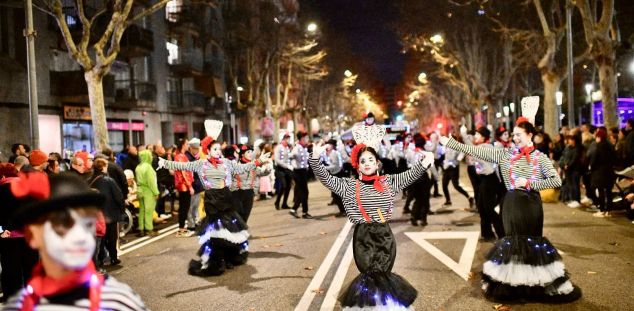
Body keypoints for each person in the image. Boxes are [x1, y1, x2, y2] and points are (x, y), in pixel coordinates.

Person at [440, 116, 581, 303]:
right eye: (513, 135)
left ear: (530, 135)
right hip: (512, 203)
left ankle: (535, 284)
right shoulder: (505, 155)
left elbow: (556, 181)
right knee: (514, 243)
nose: (515, 138)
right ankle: (517, 286)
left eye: (519, 135)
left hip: (532, 205)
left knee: (533, 243)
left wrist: (530, 183)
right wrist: (452, 143)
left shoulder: (540, 157)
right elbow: (476, 151)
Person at [310, 124, 434, 309]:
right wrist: (315, 158)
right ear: (357, 166)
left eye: (370, 160)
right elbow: (326, 179)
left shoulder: (388, 182)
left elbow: (409, 176)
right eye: (363, 161)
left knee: (384, 276)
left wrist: (425, 163)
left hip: (385, 235)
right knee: (370, 276)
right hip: (363, 237)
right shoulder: (349, 186)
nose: (367, 163)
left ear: (377, 163)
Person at [2, 172, 148, 310]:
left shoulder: (120, 301)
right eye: (63, 225)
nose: (80, 237)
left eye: (88, 224)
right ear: (34, 235)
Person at [157, 120, 271, 276]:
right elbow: (182, 166)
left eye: (219, 149)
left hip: (226, 198)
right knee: (216, 234)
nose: (219, 151)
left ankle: (230, 258)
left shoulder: (226, 163)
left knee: (230, 231)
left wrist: (258, 161)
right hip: (212, 200)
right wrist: (165, 163)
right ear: (208, 150)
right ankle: (217, 260)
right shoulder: (201, 164)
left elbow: (242, 167)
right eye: (215, 149)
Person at [0, 163, 39, 302]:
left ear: (3, 175)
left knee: (10, 269)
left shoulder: (1, 190)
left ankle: (12, 298)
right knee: (31, 267)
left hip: (8, 236)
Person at [87, 158, 124, 266]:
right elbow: (118, 196)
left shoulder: (89, 181)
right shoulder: (109, 181)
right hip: (110, 214)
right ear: (103, 167)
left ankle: (100, 259)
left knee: (100, 238)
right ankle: (113, 258)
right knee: (112, 237)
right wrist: (121, 209)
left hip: (97, 215)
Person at [471, 127, 505, 241]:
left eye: (477, 134)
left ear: (483, 137)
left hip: (489, 180)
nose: (475, 136)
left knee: (488, 209)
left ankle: (502, 234)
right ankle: (487, 232)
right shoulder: (488, 147)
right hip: (487, 180)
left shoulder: (483, 148)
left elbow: (480, 166)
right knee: (482, 206)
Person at [230, 145, 271, 223]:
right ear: (242, 154)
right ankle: (238, 232)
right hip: (237, 192)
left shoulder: (254, 165)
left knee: (245, 216)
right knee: (239, 216)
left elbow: (262, 173)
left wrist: (267, 168)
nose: (251, 154)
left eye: (252, 152)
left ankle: (241, 232)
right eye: (248, 152)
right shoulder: (236, 165)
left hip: (249, 193)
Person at [590, 128, 617, 218]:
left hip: (600, 172)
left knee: (601, 191)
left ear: (599, 137)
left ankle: (602, 210)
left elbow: (594, 159)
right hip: (609, 172)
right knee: (609, 191)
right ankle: (609, 211)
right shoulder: (610, 145)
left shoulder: (599, 146)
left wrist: (591, 167)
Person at [174, 139, 196, 237]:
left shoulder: (180, 156)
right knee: (184, 208)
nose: (188, 145)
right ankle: (181, 229)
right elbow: (184, 173)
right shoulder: (180, 157)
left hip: (184, 185)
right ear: (183, 145)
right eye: (187, 144)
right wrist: (190, 186)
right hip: (184, 186)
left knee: (184, 208)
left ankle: (182, 228)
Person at [135, 150, 159, 237]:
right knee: (149, 211)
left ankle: (141, 228)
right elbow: (151, 182)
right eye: (150, 156)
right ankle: (149, 229)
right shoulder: (148, 167)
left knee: (142, 211)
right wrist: (156, 192)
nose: (151, 157)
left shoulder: (138, 167)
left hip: (140, 189)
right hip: (148, 190)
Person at [289, 131, 311, 219]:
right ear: (301, 139)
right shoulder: (297, 148)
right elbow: (291, 155)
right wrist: (293, 155)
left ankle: (296, 210)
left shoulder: (303, 148)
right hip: (298, 172)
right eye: (306, 138)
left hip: (303, 172)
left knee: (301, 192)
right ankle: (302, 211)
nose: (307, 140)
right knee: (304, 192)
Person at [274, 133, 294, 210]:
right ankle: (277, 202)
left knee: (288, 186)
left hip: (288, 169)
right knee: (283, 186)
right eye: (287, 138)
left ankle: (284, 203)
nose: (288, 140)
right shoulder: (279, 147)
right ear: (284, 139)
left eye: (289, 138)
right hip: (280, 169)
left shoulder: (287, 148)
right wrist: (286, 165)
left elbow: (289, 157)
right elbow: (277, 159)